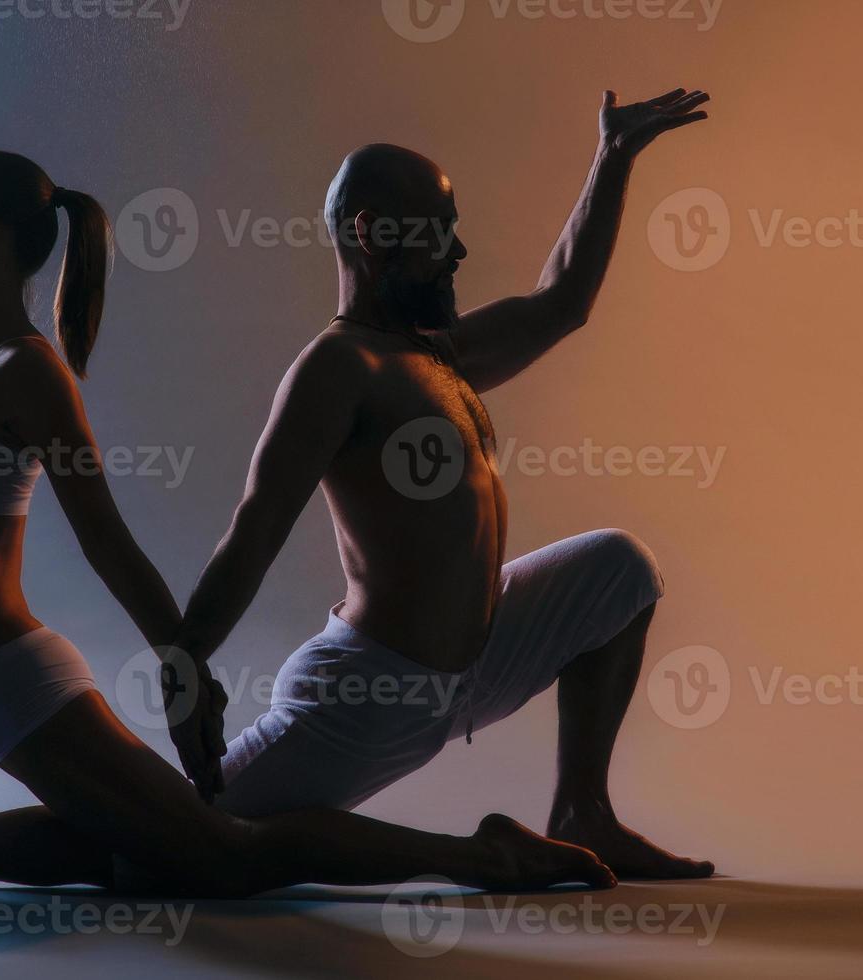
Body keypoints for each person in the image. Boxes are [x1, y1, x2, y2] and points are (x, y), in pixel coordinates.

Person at [0, 150, 614, 897]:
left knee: (217, 859)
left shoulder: (25, 373)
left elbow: (109, 540)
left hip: (7, 687)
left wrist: (182, 670)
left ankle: (487, 856)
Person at [166, 88, 718, 879]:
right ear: (373, 234)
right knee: (167, 844)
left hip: (475, 665)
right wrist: (187, 663)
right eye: (440, 233)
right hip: (369, 697)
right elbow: (253, 532)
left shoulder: (438, 357)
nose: (459, 252)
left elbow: (562, 302)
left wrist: (613, 156)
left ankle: (583, 812)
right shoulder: (338, 368)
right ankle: (476, 857)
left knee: (619, 567)